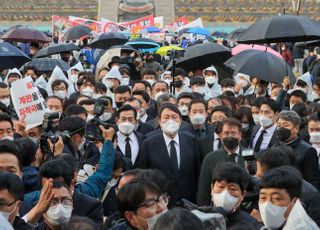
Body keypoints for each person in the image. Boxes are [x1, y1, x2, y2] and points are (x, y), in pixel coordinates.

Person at [140, 103, 200, 205]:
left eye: (174, 117)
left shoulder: (191, 140)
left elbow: (197, 171)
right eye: (166, 117)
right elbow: (144, 173)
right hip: (160, 200)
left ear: (180, 121)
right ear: (159, 121)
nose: (170, 121)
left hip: (188, 199)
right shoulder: (149, 143)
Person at [197, 118, 246, 206]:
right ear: (220, 136)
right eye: (226, 133)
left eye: (234, 133)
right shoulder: (210, 158)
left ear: (240, 135)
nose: (230, 136)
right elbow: (203, 190)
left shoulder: (250, 156)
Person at [275, 110, 320, 189]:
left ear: (296, 128)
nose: (281, 128)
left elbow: (313, 181)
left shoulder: (307, 150)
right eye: (279, 125)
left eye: (286, 125)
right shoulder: (275, 147)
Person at [211, 163, 262, 229]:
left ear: (243, 194)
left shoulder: (251, 226)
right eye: (221, 187)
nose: (225, 194)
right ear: (212, 188)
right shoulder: (201, 217)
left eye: (232, 189)